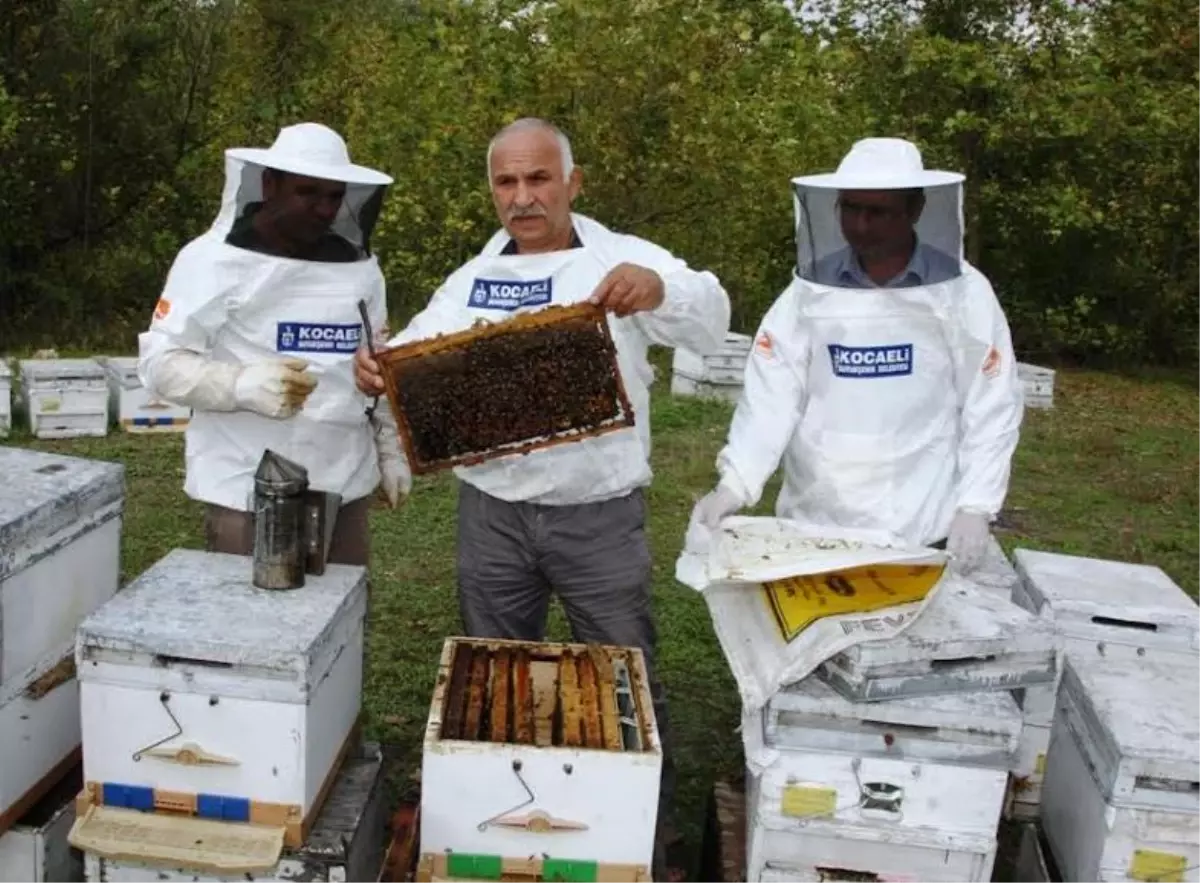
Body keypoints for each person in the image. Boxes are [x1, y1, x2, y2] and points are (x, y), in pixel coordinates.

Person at [355, 117, 731, 880]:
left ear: (572, 182)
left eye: (538, 179)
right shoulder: (470, 278)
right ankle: (508, 835)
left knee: (626, 679)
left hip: (598, 516)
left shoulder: (618, 257)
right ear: (493, 190)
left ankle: (640, 842)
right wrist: (381, 368)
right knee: (495, 680)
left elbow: (711, 312)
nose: (523, 198)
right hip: (492, 514)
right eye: (507, 182)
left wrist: (660, 288)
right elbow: (415, 355)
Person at [689, 137, 1023, 572]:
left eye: (878, 212)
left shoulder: (964, 295)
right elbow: (771, 399)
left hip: (920, 521)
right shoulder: (806, 296)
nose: (861, 224)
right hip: (816, 517)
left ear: (916, 209)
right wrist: (735, 484)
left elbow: (991, 402)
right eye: (850, 208)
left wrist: (976, 504)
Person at [138, 122, 410, 566]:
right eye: (308, 192)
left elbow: (375, 362)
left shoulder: (361, 270)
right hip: (245, 486)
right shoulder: (210, 261)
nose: (323, 209)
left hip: (345, 481)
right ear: (269, 184)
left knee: (339, 622)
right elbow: (158, 362)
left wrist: (390, 447)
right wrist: (240, 384)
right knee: (254, 627)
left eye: (334, 195)